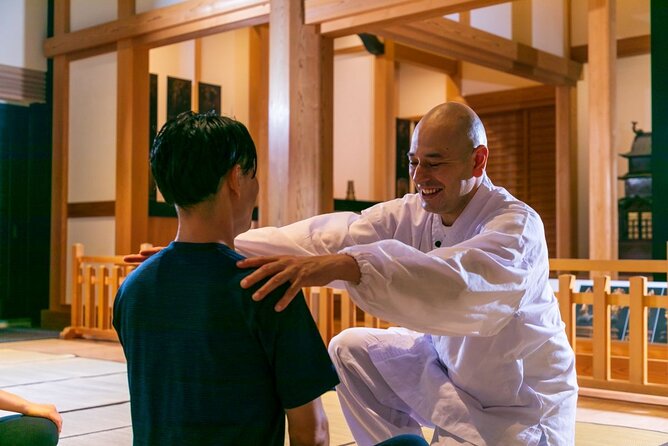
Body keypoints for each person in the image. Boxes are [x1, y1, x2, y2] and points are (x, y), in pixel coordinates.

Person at [230, 102, 578, 445]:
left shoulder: (517, 225)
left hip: (519, 413)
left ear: (477, 160)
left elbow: (457, 285)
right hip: (452, 381)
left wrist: (347, 265)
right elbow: (337, 235)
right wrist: (227, 245)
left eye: (434, 163)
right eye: (414, 162)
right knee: (350, 351)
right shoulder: (415, 212)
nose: (419, 176)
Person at [113, 111, 339, 446]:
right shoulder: (266, 287)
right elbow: (313, 433)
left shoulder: (132, 289)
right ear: (235, 178)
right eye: (253, 175)